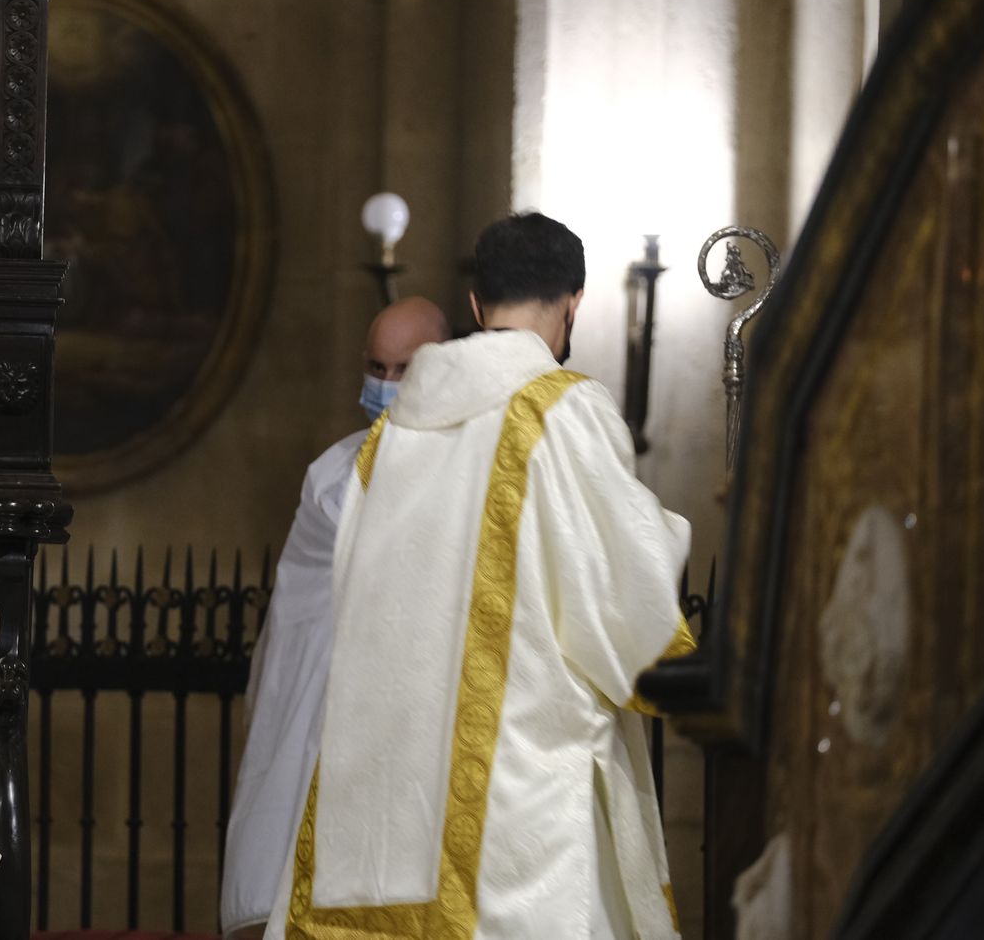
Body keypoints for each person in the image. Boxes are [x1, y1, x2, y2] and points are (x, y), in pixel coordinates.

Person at [263, 213, 693, 940]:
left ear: (473, 304)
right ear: (574, 303)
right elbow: (630, 599)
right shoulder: (564, 411)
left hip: (389, 808)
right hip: (523, 799)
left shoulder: (390, 438)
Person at [221, 296, 451, 940]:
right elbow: (301, 614)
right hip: (324, 709)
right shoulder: (331, 474)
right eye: (375, 366)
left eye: (404, 368)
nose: (384, 385)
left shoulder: (474, 466)